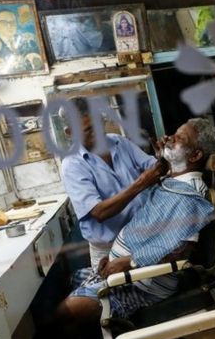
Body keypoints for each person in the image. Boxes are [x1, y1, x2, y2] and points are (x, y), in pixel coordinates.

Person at [59, 117, 215, 322]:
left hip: (141, 282)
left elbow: (178, 249)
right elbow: (98, 212)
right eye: (88, 130)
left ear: (196, 155)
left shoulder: (189, 194)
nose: (167, 139)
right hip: (119, 260)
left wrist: (129, 263)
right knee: (70, 280)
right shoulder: (173, 182)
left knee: (64, 311)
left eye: (178, 138)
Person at [60, 98, 166, 272]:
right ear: (70, 132)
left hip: (145, 237)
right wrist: (141, 183)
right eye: (88, 130)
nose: (98, 133)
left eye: (99, 123)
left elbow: (152, 166)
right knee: (119, 295)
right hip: (109, 250)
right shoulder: (72, 165)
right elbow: (99, 212)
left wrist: (163, 156)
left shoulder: (118, 142)